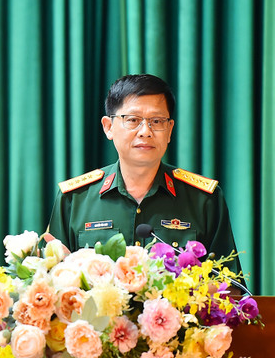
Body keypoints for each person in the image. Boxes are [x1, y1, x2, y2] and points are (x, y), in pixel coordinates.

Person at [47, 74, 242, 273]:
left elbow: (229, 288)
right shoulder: (74, 199)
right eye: (132, 120)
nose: (145, 131)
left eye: (156, 121)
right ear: (108, 127)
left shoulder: (204, 200)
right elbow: (50, 284)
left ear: (169, 130)